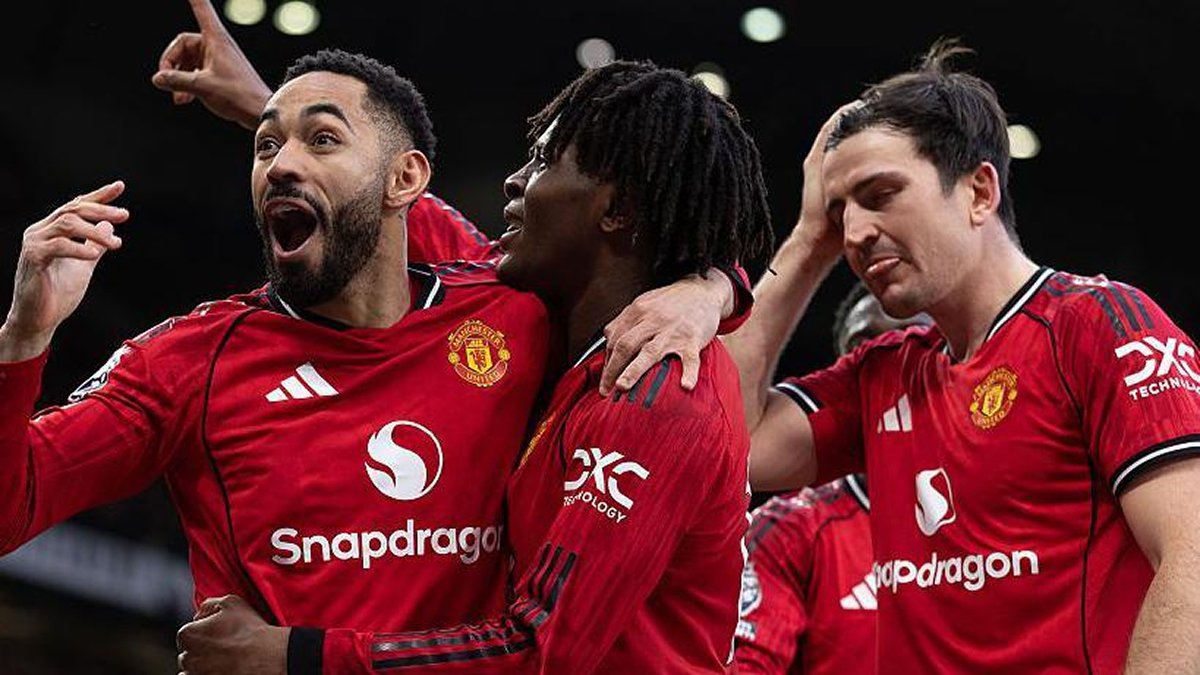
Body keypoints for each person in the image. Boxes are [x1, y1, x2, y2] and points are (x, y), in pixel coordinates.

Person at [0, 36, 743, 675]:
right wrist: (22, 340)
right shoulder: (187, 362)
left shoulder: (508, 307)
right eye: (266, 146)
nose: (279, 165)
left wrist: (708, 285)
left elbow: (633, 246)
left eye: (322, 139)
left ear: (406, 179)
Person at [723, 38, 1200, 673]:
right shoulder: (884, 372)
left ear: (979, 191)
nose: (855, 233)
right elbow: (732, 444)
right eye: (840, 214)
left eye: (880, 194)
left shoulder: (1099, 326)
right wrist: (809, 240)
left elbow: (1192, 556)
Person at [733, 281, 929, 675]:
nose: (893, 357)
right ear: (845, 373)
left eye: (914, 337)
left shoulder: (1013, 504)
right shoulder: (793, 529)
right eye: (866, 345)